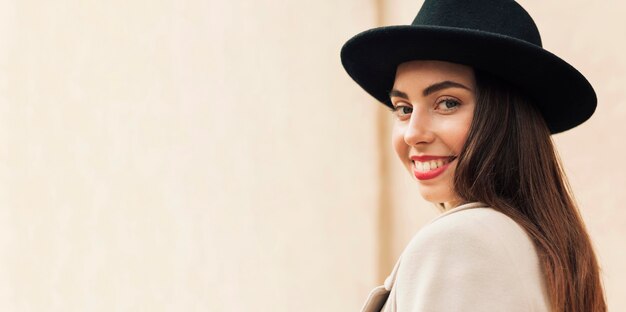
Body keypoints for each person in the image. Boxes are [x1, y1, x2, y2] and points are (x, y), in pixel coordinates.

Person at [340, 0, 607, 311]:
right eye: (404, 108)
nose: (413, 133)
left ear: (507, 118)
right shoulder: (548, 249)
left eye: (448, 103)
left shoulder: (460, 242)